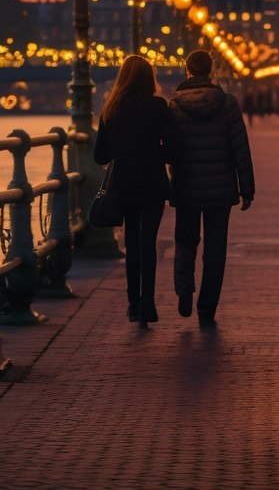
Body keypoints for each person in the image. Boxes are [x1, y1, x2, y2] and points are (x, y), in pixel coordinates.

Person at [167, 50, 255, 329]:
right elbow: (240, 147)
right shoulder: (227, 103)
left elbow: (170, 148)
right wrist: (247, 187)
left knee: (185, 239)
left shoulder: (175, 105)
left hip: (187, 186)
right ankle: (206, 307)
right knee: (215, 248)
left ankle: (184, 288)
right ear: (212, 70)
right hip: (220, 188)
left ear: (188, 70)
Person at [94, 54, 175, 329]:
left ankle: (133, 304)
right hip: (153, 182)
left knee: (131, 244)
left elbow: (100, 155)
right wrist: (154, 151)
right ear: (148, 78)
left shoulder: (112, 109)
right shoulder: (158, 106)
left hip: (124, 184)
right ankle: (148, 303)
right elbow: (173, 148)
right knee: (147, 243)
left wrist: (123, 150)